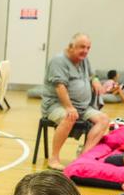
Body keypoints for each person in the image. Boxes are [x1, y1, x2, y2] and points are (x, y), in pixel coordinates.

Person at [40, 33, 109, 171]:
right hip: (56, 105)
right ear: (71, 47)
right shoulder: (58, 61)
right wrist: (69, 107)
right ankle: (54, 158)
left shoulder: (83, 59)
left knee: (104, 119)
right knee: (68, 117)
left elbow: (92, 75)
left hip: (82, 106)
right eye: (82, 47)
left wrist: (95, 81)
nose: (85, 51)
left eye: (88, 48)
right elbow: (60, 86)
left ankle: (84, 156)